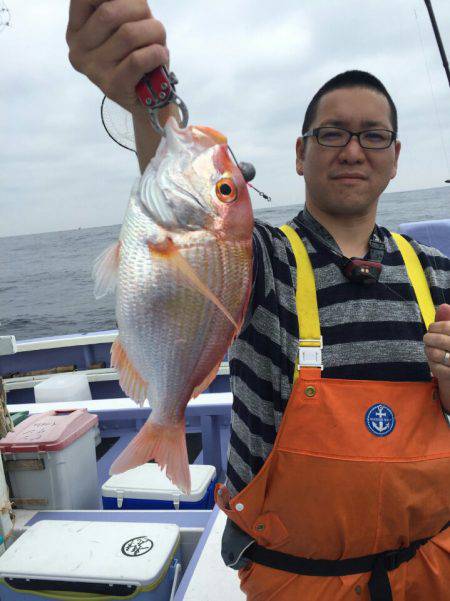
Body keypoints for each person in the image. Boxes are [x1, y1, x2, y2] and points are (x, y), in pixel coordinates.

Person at [66, 2, 450, 599]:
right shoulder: (260, 258)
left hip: (433, 566)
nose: (353, 150)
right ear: (300, 154)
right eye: (332, 134)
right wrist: (151, 94)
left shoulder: (438, 273)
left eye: (373, 135)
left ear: (396, 158)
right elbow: (191, 230)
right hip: (297, 580)